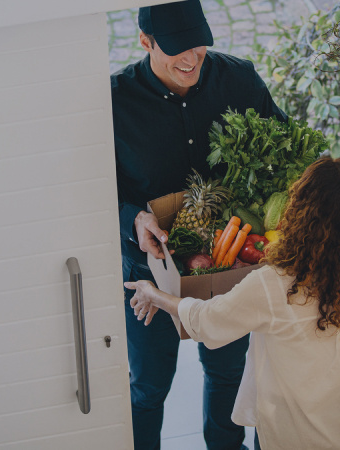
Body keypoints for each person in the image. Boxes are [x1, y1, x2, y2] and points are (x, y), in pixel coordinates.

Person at [126, 157, 340, 450]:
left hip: (298, 438)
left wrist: (152, 293)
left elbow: (206, 322)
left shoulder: (276, 284)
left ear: (302, 218)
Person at [111, 1, 287, 449]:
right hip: (147, 268)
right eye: (176, 50)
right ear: (145, 41)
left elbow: (285, 155)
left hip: (229, 262)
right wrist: (133, 218)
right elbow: (94, 190)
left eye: (199, 47)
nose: (190, 59)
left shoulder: (239, 79)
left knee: (228, 370)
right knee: (149, 386)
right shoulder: (114, 101)